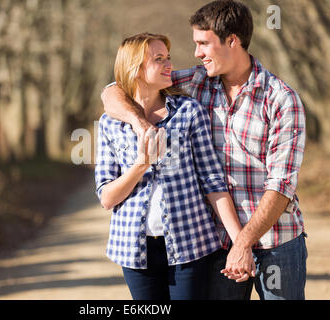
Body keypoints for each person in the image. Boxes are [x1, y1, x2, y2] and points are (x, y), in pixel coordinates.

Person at [101, 0, 307, 300]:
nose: (197, 53)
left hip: (277, 241)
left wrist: (243, 243)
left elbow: (281, 186)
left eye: (203, 44)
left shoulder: (281, 99)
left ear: (232, 41)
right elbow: (115, 89)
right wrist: (137, 122)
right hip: (218, 244)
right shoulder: (197, 82)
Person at [95, 32, 251, 300]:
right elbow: (107, 198)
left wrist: (241, 243)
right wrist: (141, 165)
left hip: (190, 244)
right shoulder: (111, 123)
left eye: (168, 57)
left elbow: (213, 182)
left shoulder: (188, 112)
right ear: (134, 68)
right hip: (134, 250)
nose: (169, 65)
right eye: (158, 59)